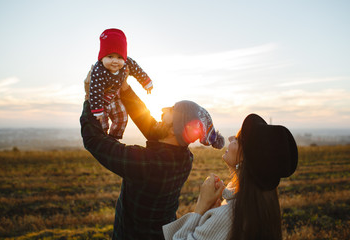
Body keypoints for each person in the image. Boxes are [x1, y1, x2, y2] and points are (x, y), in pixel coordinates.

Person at [80, 77, 225, 239]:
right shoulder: (184, 158)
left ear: (175, 129)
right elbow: (149, 124)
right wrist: (125, 88)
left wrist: (89, 97)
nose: (163, 110)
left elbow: (94, 141)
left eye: (171, 110)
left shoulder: (148, 163)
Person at [163, 113, 298, 240]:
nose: (230, 138)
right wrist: (209, 217)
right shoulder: (261, 206)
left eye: (238, 139)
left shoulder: (228, 216)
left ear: (245, 157)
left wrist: (201, 207)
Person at [88, 28, 153, 139]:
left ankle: (113, 138)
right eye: (110, 56)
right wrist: (97, 110)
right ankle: (103, 139)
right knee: (101, 122)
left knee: (122, 118)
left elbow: (138, 70)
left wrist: (146, 82)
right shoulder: (98, 70)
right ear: (102, 57)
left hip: (115, 97)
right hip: (101, 100)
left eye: (119, 57)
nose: (115, 61)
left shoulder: (127, 62)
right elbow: (95, 91)